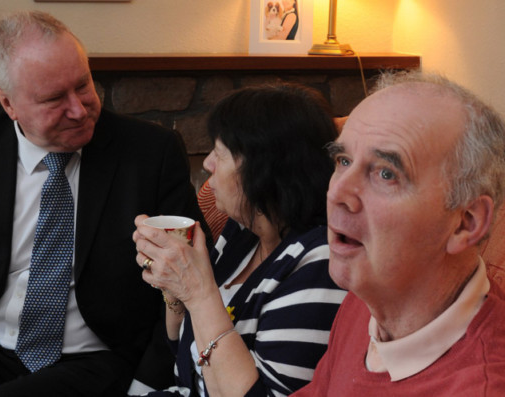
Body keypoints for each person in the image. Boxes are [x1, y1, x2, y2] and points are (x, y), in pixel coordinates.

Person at [0, 10, 208, 396]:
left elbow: (191, 275)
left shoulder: (150, 153)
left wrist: (148, 382)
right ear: (8, 104)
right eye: (54, 98)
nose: (79, 109)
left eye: (83, 85)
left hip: (98, 354)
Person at [292, 71, 505, 396]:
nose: (337, 193)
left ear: (466, 223)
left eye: (386, 173)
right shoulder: (374, 292)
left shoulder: (491, 387)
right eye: (343, 160)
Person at [133, 83, 347, 396]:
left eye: (219, 153)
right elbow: (184, 354)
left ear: (262, 170)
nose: (207, 164)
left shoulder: (320, 266)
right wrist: (174, 287)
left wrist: (197, 289)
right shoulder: (242, 234)